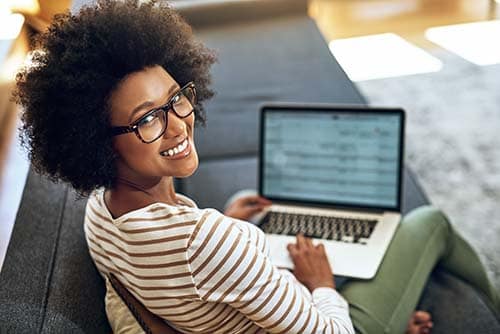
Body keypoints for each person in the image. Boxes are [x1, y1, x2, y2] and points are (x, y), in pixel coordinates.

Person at [14, 1, 499, 333]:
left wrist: (228, 218)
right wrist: (322, 284)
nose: (178, 125)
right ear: (97, 141)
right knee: (430, 222)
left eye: (175, 99)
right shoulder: (212, 243)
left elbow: (187, 271)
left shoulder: (100, 211)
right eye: (146, 120)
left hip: (261, 304)